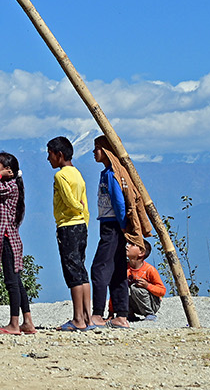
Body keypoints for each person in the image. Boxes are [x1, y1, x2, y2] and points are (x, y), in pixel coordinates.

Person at [0, 151, 36, 334]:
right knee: (17, 281)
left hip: (7, 238)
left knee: (11, 281)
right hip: (8, 238)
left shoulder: (10, 187)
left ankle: (14, 323)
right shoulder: (4, 188)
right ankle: (27, 322)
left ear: (8, 171)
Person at [47, 136, 93, 331]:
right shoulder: (78, 174)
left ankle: (77, 320)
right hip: (81, 225)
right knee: (81, 271)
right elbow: (85, 202)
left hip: (68, 226)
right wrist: (84, 219)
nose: (48, 159)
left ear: (59, 155)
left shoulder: (61, 176)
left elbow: (70, 200)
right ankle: (87, 318)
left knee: (72, 272)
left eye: (50, 154)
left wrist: (77, 208)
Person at [89, 136, 130, 327]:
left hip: (112, 225)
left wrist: (122, 224)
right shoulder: (107, 172)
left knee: (99, 267)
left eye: (97, 148)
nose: (94, 152)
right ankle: (121, 315)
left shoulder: (111, 174)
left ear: (106, 151)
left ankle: (97, 313)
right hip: (113, 224)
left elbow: (118, 201)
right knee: (118, 268)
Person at [126, 238, 165, 320]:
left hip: (151, 304)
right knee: (121, 287)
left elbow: (162, 291)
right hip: (135, 304)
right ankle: (129, 314)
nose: (127, 246)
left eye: (133, 245)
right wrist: (111, 312)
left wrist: (147, 286)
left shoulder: (150, 270)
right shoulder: (124, 268)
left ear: (141, 252)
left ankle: (149, 314)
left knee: (135, 288)